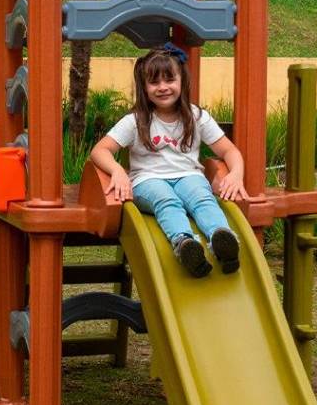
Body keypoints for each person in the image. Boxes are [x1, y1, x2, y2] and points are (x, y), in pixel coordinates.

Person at [90, 43, 247, 278]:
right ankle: (184, 244)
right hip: (147, 181)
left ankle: (221, 238)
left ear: (181, 81)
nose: (163, 87)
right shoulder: (136, 120)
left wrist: (236, 174)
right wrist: (117, 171)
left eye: (169, 79)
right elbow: (100, 150)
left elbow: (230, 151)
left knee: (202, 198)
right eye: (154, 82)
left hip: (189, 176)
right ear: (144, 87)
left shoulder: (196, 116)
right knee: (166, 200)